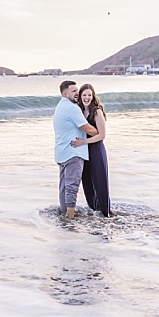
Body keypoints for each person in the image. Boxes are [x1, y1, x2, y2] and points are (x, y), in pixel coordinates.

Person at [53, 80, 98, 219]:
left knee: (64, 188)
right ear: (65, 93)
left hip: (62, 152)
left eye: (77, 91)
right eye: (74, 91)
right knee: (72, 187)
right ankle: (70, 219)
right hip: (73, 152)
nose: (77, 94)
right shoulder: (71, 108)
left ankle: (64, 215)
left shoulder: (60, 106)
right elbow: (87, 128)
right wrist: (98, 131)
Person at [74, 83, 112, 217]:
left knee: (100, 182)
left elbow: (102, 135)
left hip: (96, 150)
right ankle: (94, 212)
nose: (87, 98)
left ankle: (106, 214)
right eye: (84, 95)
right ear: (80, 96)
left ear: (93, 96)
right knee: (87, 182)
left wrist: (83, 141)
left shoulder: (97, 111)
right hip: (84, 151)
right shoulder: (78, 111)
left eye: (89, 95)